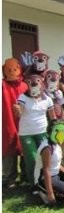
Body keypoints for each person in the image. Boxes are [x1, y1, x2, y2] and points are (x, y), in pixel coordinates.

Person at [14, 74, 56, 187]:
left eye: (37, 83)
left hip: (42, 132)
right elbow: (19, 112)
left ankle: (45, 182)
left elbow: (53, 117)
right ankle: (34, 185)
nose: (34, 86)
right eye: (31, 83)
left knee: (45, 159)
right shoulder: (23, 97)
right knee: (32, 159)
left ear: (42, 84)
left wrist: (56, 128)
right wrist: (18, 110)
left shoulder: (47, 99)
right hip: (27, 134)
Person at [2, 58, 28, 189]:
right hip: (7, 121)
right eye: (9, 70)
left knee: (25, 147)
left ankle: (25, 176)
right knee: (9, 150)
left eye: (15, 69)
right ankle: (9, 178)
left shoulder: (25, 86)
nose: (12, 72)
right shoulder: (2, 86)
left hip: (24, 122)